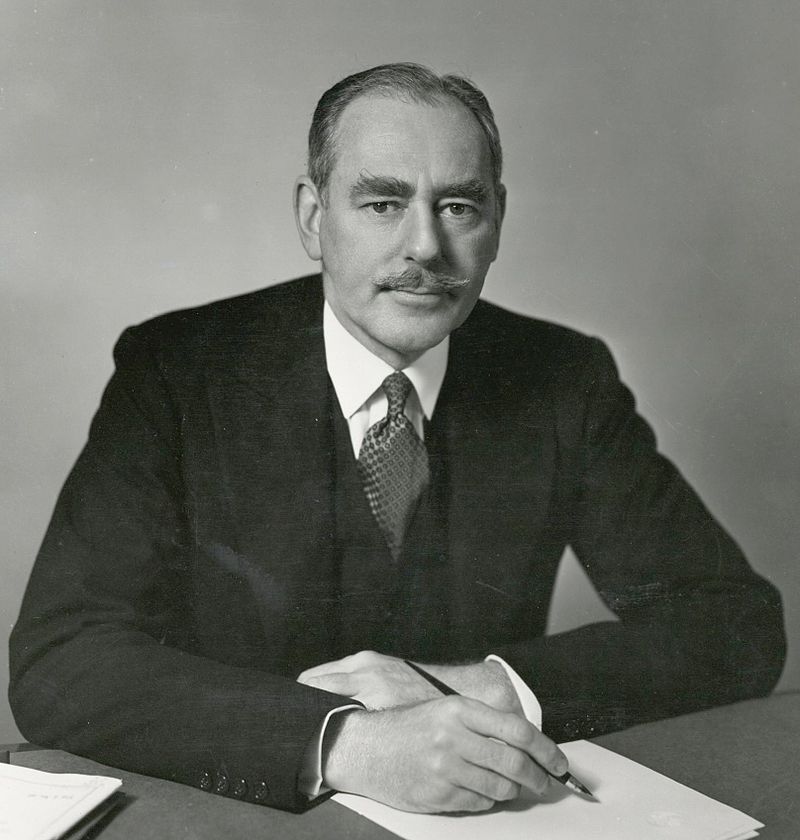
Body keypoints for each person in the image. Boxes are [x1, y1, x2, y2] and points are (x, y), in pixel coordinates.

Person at [9, 63, 785, 815]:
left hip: (485, 820)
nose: (425, 247)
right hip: (239, 817)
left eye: (459, 206)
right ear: (314, 219)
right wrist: (345, 743)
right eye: (383, 203)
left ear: (498, 221)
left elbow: (735, 625)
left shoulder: (563, 379)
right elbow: (60, 659)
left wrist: (485, 686)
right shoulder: (177, 369)